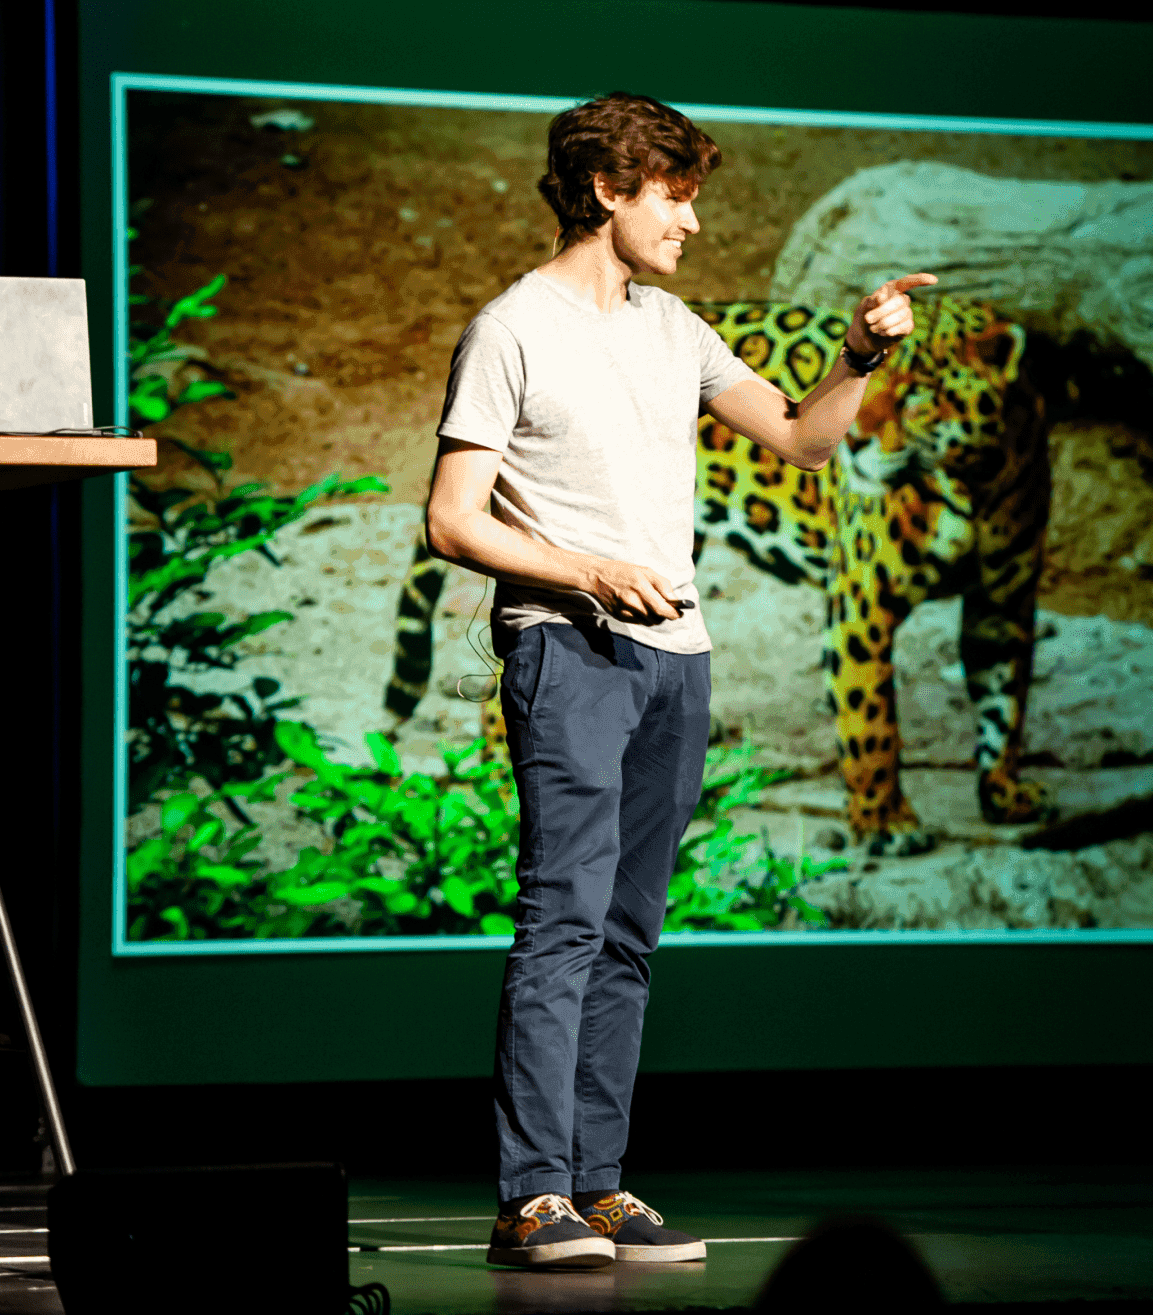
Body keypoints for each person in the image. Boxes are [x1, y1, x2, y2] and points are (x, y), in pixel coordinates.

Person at [424, 91, 934, 1270]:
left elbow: (803, 441)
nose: (691, 221)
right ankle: (529, 1194)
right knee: (562, 919)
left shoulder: (673, 327)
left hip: (674, 660)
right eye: (674, 195)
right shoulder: (512, 328)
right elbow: (453, 519)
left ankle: (598, 1183)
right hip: (566, 646)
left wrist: (861, 354)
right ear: (606, 191)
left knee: (627, 934)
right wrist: (588, 571)